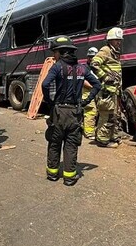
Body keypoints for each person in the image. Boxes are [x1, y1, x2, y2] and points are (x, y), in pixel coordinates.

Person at [42, 37, 101, 186]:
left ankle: (52, 174)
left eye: (54, 52)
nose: (53, 56)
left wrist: (50, 102)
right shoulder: (82, 68)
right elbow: (97, 85)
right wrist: (85, 102)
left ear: (61, 52)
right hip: (75, 112)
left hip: (59, 111)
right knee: (71, 145)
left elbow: (45, 84)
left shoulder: (57, 67)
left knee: (55, 143)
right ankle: (69, 178)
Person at [91, 27, 124, 148]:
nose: (119, 42)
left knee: (115, 115)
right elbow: (94, 64)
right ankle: (102, 140)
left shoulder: (115, 52)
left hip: (114, 90)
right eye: (116, 40)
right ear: (110, 40)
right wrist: (104, 77)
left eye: (119, 40)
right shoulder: (105, 50)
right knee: (107, 115)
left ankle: (113, 136)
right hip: (107, 90)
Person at [81, 47, 100, 139]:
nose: (92, 59)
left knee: (99, 111)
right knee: (90, 111)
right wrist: (94, 87)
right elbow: (83, 81)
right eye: (90, 57)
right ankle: (88, 133)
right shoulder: (84, 68)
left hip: (97, 91)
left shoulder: (98, 67)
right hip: (87, 92)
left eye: (94, 57)